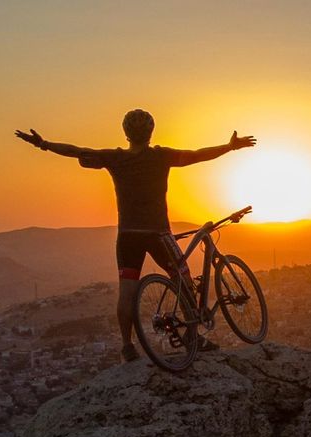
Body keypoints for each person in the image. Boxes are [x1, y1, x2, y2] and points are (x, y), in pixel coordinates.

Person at [15, 110, 256, 362]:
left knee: (127, 291)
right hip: (158, 233)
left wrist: (44, 144)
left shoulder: (116, 158)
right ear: (151, 132)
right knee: (182, 278)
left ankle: (127, 346)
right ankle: (192, 338)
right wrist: (229, 147)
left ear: (126, 133)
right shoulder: (161, 156)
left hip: (128, 235)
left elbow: (76, 151)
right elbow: (197, 155)